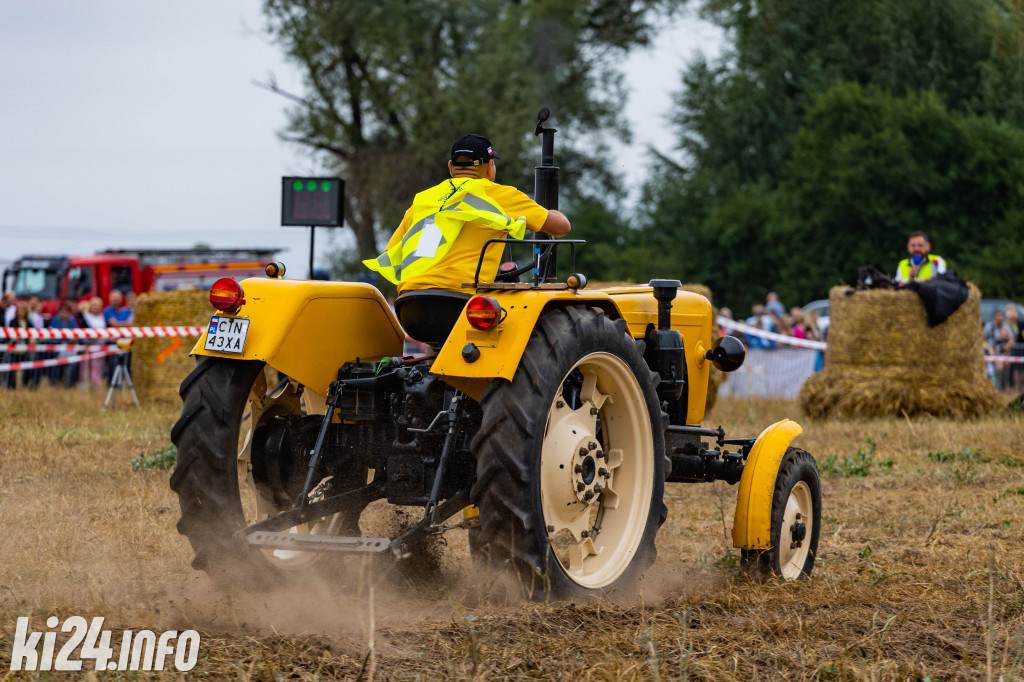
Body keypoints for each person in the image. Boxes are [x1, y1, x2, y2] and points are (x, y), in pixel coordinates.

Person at [364, 134, 571, 294]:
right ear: (490, 167)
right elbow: (561, 227)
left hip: (410, 300)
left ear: (451, 167)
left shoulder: (423, 199)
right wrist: (547, 210)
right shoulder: (500, 195)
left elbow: (395, 250)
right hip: (460, 299)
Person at [48, 301, 80, 386]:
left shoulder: (72, 321)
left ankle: (70, 384)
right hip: (58, 347)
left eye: (65, 312)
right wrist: (68, 339)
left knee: (72, 367)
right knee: (57, 366)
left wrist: (71, 339)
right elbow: (51, 334)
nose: (63, 314)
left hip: (70, 348)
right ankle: (55, 382)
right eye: (61, 312)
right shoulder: (55, 320)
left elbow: (77, 334)